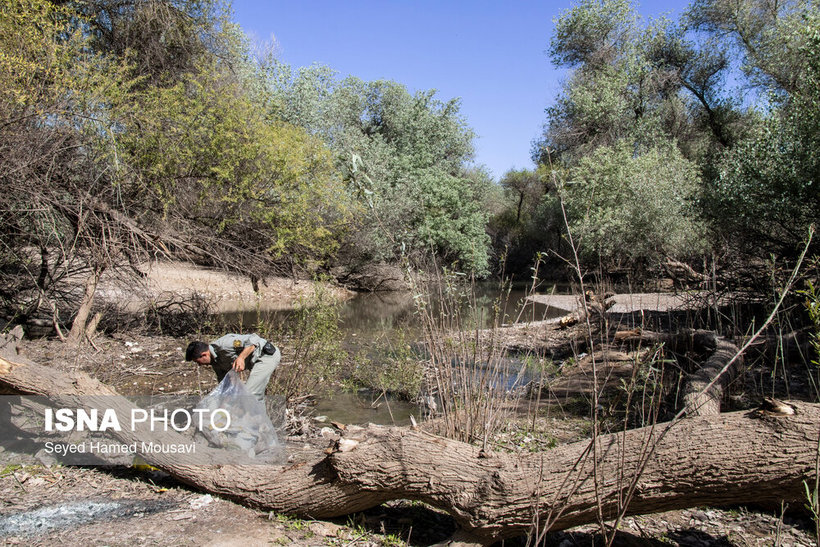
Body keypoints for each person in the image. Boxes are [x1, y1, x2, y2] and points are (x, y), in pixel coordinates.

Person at [185, 333, 280, 402]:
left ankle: (255, 425)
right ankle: (260, 425)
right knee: (252, 395)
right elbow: (225, 385)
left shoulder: (225, 344)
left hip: (266, 356)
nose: (200, 365)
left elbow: (254, 339)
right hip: (256, 363)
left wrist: (241, 358)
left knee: (250, 394)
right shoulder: (216, 364)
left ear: (204, 355)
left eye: (198, 362)